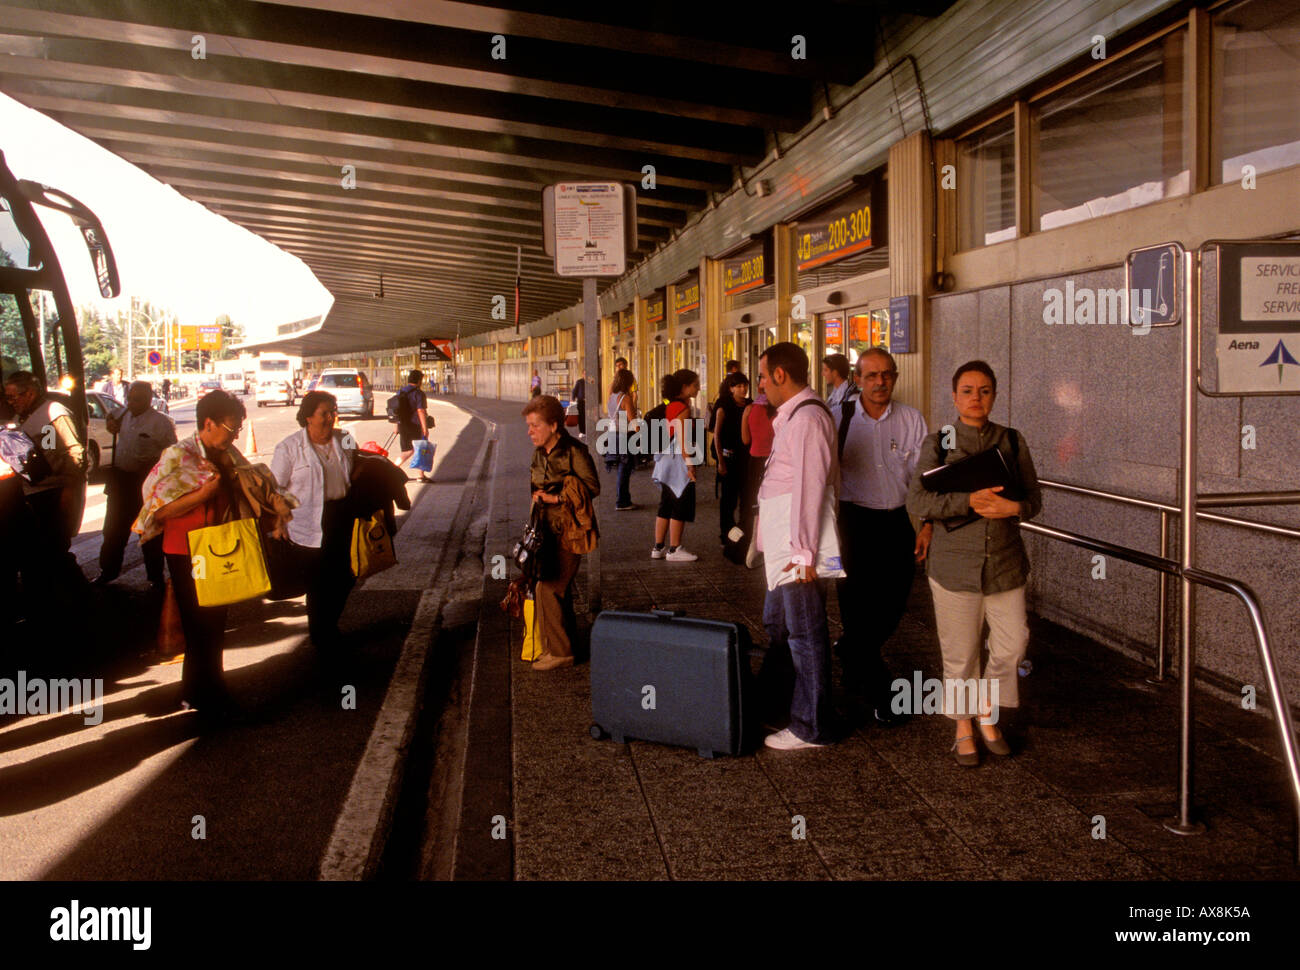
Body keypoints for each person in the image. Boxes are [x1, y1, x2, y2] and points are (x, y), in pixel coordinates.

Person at [906, 360, 1041, 766]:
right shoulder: (939, 442)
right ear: (954, 396)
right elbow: (917, 501)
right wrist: (968, 501)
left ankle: (987, 706)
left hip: (1004, 564)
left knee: (1013, 644)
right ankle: (965, 725)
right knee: (961, 653)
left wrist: (1013, 506)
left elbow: (1034, 500)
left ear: (995, 395)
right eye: (967, 390)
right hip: (954, 566)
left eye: (984, 391)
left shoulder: (1013, 442)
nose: (976, 398)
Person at [135, 390, 254, 718]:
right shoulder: (178, 456)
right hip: (186, 551)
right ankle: (210, 695)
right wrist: (203, 494)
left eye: (239, 430)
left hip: (217, 546)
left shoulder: (226, 455)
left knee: (214, 623)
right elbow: (156, 509)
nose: (236, 436)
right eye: (232, 429)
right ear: (209, 423)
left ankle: (197, 691)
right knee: (201, 625)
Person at [834, 348, 931, 725]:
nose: (879, 382)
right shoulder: (839, 418)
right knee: (856, 609)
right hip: (851, 524)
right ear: (857, 379)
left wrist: (927, 524)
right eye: (871, 375)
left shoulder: (911, 420)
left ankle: (852, 654)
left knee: (893, 604)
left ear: (895, 376)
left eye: (886, 374)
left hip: (895, 524)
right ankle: (881, 691)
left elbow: (925, 478)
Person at [754, 342, 839, 750]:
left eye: (764, 376)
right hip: (783, 546)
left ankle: (811, 725)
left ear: (781, 376)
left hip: (796, 550)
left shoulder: (806, 419)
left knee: (805, 632)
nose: (761, 384)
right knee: (780, 625)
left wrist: (803, 556)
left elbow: (809, 490)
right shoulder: (793, 416)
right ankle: (784, 703)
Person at [271, 391, 358, 653]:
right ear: (308, 417)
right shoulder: (288, 448)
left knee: (346, 577)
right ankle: (322, 636)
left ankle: (327, 626)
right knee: (319, 582)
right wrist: (279, 522)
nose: (331, 417)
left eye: (333, 411)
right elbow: (276, 489)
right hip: (307, 521)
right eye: (325, 413)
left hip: (340, 515)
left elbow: (356, 467)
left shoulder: (345, 439)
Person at [525, 394, 599, 671]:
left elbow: (592, 487)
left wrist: (557, 499)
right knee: (551, 586)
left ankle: (562, 652)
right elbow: (534, 487)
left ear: (554, 426)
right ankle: (556, 646)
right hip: (545, 531)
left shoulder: (574, 451)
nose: (530, 431)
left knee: (550, 587)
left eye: (535, 425)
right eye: (529, 425)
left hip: (571, 531)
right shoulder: (538, 453)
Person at [3, 370, 89, 612]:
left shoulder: (53, 414)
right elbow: (46, 450)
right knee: (39, 553)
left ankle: (82, 602)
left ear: (29, 393)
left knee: (55, 552)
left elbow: (74, 455)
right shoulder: (29, 417)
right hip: (35, 492)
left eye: (13, 397)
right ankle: (46, 605)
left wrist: (69, 491)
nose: (11, 402)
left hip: (53, 493)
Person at [96, 380, 177, 590]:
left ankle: (155, 578)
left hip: (146, 484)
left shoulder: (160, 423)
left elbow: (172, 454)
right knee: (113, 530)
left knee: (149, 533)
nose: (132, 403)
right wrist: (109, 422)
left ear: (149, 399)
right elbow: (110, 416)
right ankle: (108, 572)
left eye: (137, 399)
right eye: (130, 398)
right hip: (122, 482)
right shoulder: (123, 415)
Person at [650, 368, 701, 562]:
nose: (697, 389)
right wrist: (690, 465)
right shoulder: (683, 409)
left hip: (665, 460)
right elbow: (683, 439)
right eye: (695, 385)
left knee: (666, 503)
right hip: (677, 462)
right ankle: (674, 549)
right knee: (681, 501)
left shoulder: (670, 405)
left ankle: (658, 547)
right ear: (684, 387)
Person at [713, 371, 750, 557]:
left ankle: (744, 534)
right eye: (738, 386)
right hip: (728, 458)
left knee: (747, 499)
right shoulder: (724, 406)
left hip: (746, 459)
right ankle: (726, 534)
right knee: (729, 501)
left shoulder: (750, 405)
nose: (743, 389)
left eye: (745, 385)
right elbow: (717, 436)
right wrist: (720, 462)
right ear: (731, 388)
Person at [738, 377, 775, 563]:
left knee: (755, 504)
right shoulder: (779, 411)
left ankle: (753, 543)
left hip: (754, 461)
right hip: (773, 461)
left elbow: (745, 440)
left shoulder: (749, 409)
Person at [605, 368, 637, 510]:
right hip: (624, 435)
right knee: (625, 469)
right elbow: (633, 421)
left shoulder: (612, 396)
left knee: (620, 468)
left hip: (613, 434)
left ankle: (624, 499)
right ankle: (622, 501)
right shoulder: (625, 398)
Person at [395, 369, 434, 482]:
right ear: (419, 380)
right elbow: (421, 411)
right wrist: (424, 428)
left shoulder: (401, 392)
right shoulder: (418, 393)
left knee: (408, 450)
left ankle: (419, 475)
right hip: (415, 425)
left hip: (403, 425)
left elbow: (396, 411)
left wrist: (396, 426)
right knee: (419, 449)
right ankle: (393, 469)